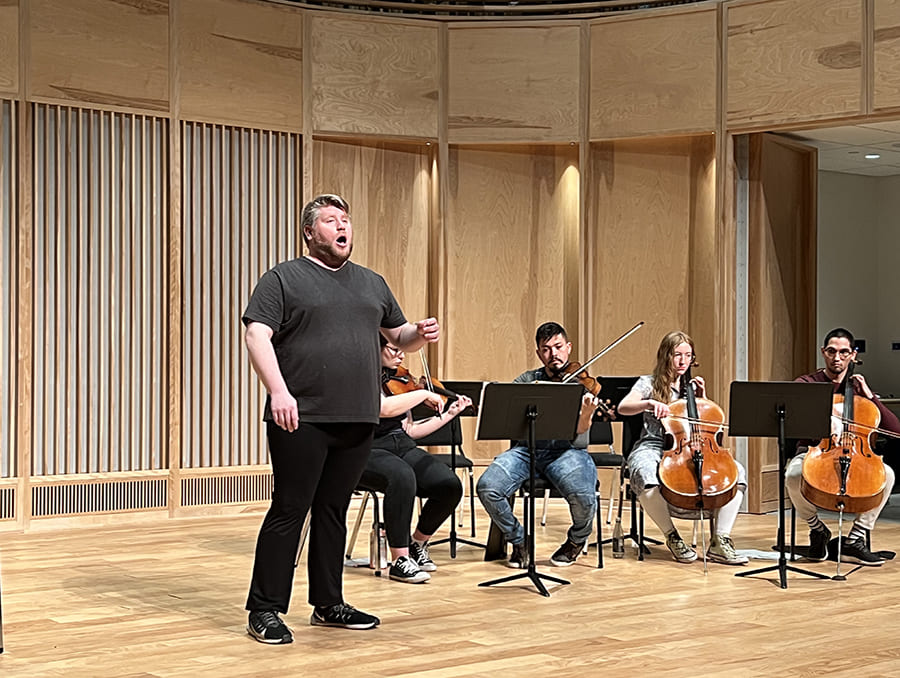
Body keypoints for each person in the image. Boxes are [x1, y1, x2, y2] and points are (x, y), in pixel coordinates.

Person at [242, 194, 440, 643]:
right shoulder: (283, 278)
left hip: (357, 419)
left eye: (345, 220)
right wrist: (278, 391)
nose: (341, 226)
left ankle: (328, 603)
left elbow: (399, 336)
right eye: (330, 221)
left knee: (333, 510)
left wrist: (419, 335)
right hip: (302, 417)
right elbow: (256, 334)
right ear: (310, 232)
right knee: (291, 509)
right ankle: (265, 608)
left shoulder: (372, 283)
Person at [476, 321, 601, 569]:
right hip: (526, 451)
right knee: (487, 487)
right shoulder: (527, 380)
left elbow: (580, 431)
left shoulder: (581, 383)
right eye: (546, 349)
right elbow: (508, 416)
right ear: (538, 353)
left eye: (558, 347)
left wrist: (587, 413)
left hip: (567, 451)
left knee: (585, 498)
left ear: (568, 347)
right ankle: (520, 540)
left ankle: (575, 542)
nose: (553, 354)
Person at [617, 330, 748, 565]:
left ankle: (720, 540)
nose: (683, 361)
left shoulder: (692, 387)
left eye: (688, 355)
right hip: (653, 443)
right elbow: (623, 407)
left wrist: (702, 399)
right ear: (665, 356)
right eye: (677, 355)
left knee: (737, 472)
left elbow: (706, 424)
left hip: (692, 445)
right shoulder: (648, 383)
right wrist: (649, 403)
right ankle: (672, 536)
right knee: (645, 473)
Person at [359, 337, 470, 584]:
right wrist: (422, 393)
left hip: (401, 445)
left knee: (448, 484)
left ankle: (417, 543)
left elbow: (408, 430)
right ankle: (400, 559)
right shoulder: (360, 375)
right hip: (367, 450)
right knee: (401, 475)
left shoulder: (395, 379)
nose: (401, 356)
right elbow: (383, 409)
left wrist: (450, 414)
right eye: (394, 349)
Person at [785, 327, 900, 566]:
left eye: (844, 352)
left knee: (887, 475)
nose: (837, 358)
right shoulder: (807, 383)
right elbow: (793, 423)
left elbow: (895, 429)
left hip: (857, 454)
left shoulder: (859, 390)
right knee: (794, 475)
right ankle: (818, 530)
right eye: (831, 351)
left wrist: (870, 396)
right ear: (823, 352)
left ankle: (855, 540)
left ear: (853, 354)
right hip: (814, 452)